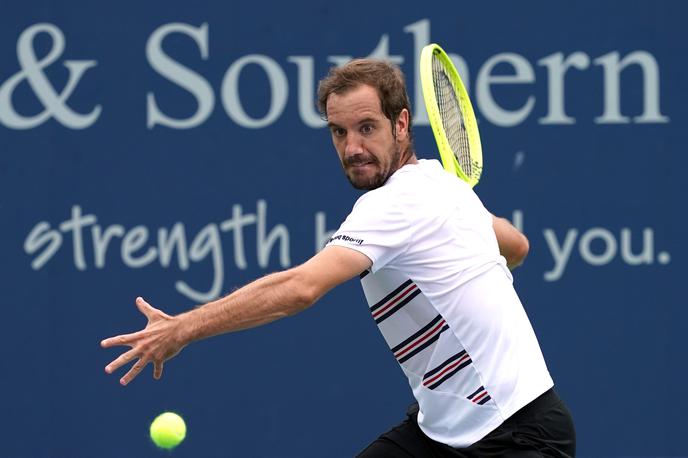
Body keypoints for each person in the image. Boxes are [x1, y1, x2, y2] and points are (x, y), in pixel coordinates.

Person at [102, 59, 575, 457]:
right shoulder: (441, 185)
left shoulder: (394, 204)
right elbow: (517, 246)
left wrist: (184, 327)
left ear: (402, 124)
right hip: (446, 431)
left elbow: (301, 289)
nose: (352, 148)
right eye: (339, 131)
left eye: (367, 128)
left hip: (519, 437)